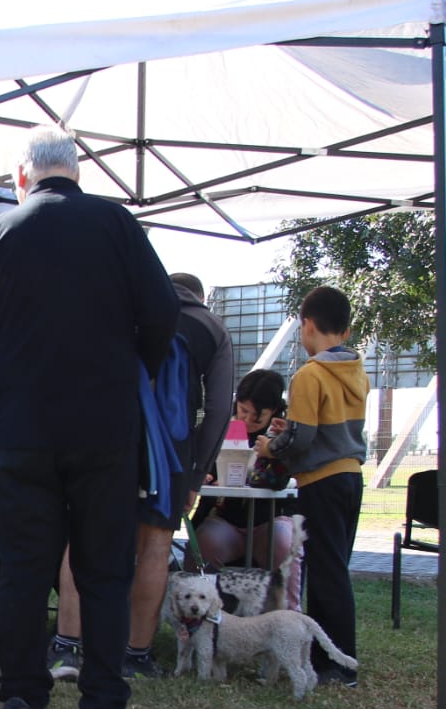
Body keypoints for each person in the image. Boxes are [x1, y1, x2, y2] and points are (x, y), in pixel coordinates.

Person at [0, 126, 179, 709]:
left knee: (25, 573)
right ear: (77, 172)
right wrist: (127, 364)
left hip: (24, 433)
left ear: (21, 177)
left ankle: (22, 708)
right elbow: (164, 314)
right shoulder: (117, 226)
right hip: (106, 433)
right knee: (103, 571)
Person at [45, 271, 233, 680]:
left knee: (82, 539)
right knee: (154, 548)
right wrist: (197, 474)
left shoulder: (124, 308)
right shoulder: (213, 328)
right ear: (198, 297)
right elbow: (219, 410)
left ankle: (67, 646)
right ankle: (135, 654)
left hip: (103, 434)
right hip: (169, 448)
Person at [257, 286, 368, 686]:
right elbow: (321, 431)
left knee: (326, 574)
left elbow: (301, 440)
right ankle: (329, 659)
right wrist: (296, 432)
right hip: (350, 476)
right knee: (333, 568)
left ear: (306, 325)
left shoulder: (310, 375)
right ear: (346, 330)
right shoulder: (357, 371)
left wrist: (272, 446)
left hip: (320, 481)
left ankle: (338, 664)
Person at [191, 368, 302, 609]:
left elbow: (289, 478)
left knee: (284, 544)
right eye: (243, 411)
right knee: (202, 544)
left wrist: (281, 447)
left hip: (269, 519)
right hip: (227, 520)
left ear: (274, 411)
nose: (247, 421)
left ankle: (290, 616)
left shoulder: (284, 434)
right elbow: (199, 464)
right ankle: (200, 615)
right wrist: (206, 475)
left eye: (257, 417)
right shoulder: (221, 426)